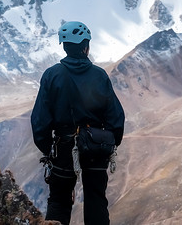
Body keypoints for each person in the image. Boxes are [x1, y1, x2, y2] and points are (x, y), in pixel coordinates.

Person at [31, 21, 125, 225]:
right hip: (96, 146)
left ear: (64, 46)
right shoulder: (99, 75)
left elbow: (40, 120)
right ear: (86, 46)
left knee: (59, 201)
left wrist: (49, 150)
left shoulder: (52, 75)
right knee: (96, 201)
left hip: (63, 148)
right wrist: (110, 143)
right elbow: (116, 117)